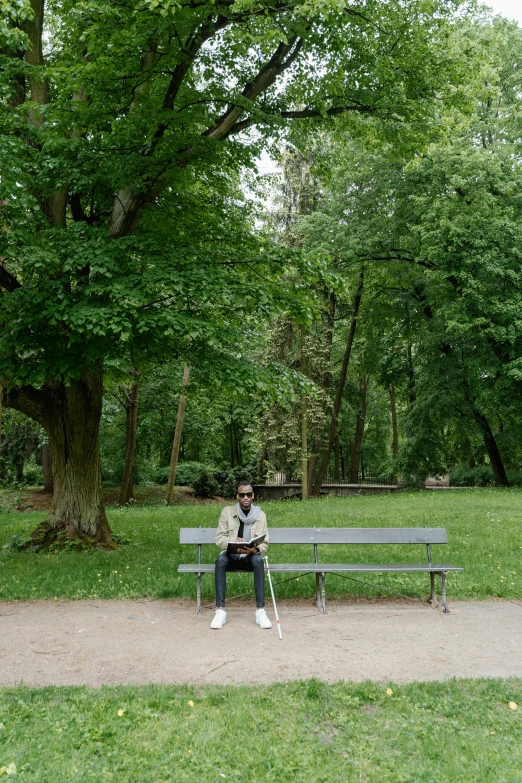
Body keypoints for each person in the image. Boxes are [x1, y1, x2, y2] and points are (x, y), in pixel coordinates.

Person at [210, 481, 272, 630]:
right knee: (220, 561)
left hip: (250, 557)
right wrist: (233, 540)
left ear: (253, 496)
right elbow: (219, 538)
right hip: (232, 556)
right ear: (237, 496)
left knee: (258, 561)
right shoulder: (227, 512)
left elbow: (265, 542)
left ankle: (260, 611)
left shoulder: (261, 515)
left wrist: (255, 550)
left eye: (249, 494)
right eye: (242, 494)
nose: (246, 497)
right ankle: (220, 611)